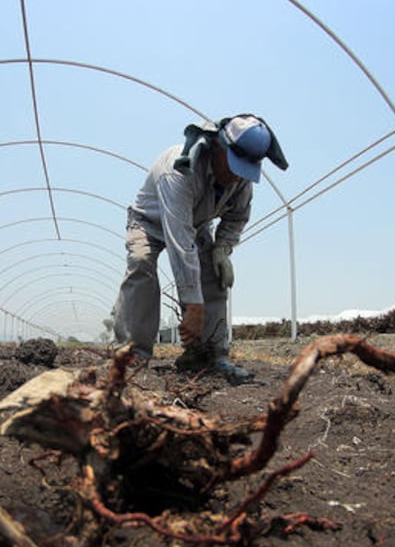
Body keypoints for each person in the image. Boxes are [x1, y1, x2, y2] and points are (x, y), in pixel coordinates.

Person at [111, 114, 288, 384]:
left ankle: (209, 355)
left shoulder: (241, 181)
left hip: (196, 224)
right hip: (149, 221)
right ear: (218, 147)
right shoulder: (179, 170)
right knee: (141, 263)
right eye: (232, 166)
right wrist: (193, 305)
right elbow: (180, 241)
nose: (235, 176)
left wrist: (223, 248)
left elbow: (237, 217)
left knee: (215, 276)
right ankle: (132, 354)